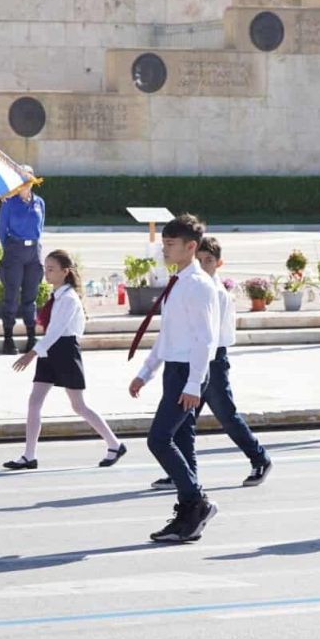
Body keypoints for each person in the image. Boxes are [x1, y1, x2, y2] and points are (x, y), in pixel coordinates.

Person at [151, 237, 273, 490]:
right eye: (201, 260)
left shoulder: (214, 291)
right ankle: (185, 472)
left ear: (219, 263)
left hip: (213, 360)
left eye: (210, 261)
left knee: (226, 415)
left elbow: (211, 335)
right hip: (194, 360)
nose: (204, 265)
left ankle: (259, 457)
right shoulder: (197, 286)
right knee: (184, 421)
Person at [128, 214, 221, 543]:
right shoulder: (179, 282)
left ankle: (197, 502)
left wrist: (194, 383)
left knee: (158, 439)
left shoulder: (197, 285)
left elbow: (205, 339)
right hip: (175, 370)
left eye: (170, 244)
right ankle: (187, 516)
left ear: (190, 247)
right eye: (164, 243)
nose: (164, 249)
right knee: (180, 442)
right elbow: (168, 335)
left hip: (188, 372)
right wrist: (146, 372)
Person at [5, 249, 126, 469]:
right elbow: (50, 333)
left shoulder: (69, 298)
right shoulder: (57, 296)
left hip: (65, 351)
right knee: (34, 401)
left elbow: (57, 331)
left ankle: (114, 444)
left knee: (79, 405)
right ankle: (29, 455)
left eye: (51, 269)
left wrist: (31, 354)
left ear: (65, 272)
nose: (46, 273)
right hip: (50, 351)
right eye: (45, 268)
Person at [0, 173, 45, 355]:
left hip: (33, 252)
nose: (25, 184)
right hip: (14, 250)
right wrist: (10, 248)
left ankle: (31, 337)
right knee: (11, 295)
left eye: (28, 180)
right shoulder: (9, 203)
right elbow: (2, 230)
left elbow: (40, 228)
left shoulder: (39, 202)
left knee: (30, 296)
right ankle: (8, 338)